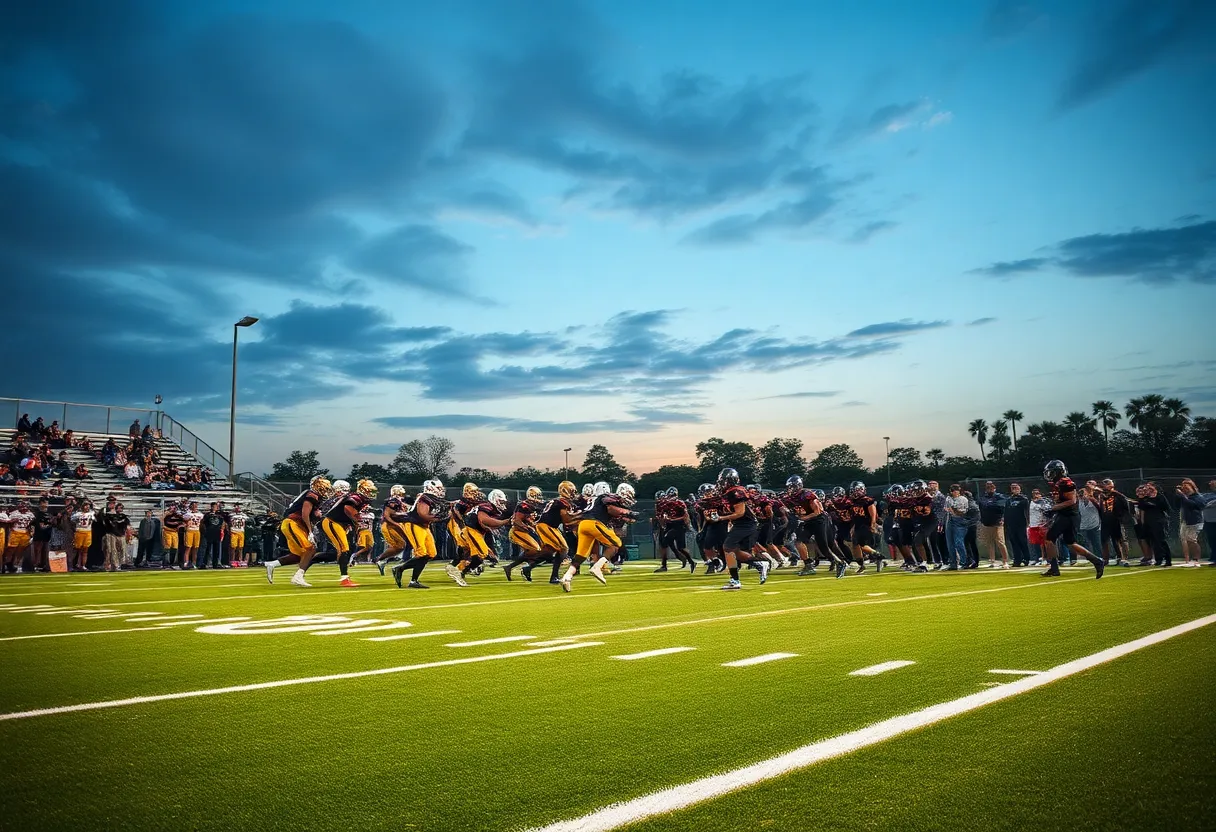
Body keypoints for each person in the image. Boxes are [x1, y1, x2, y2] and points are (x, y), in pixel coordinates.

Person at [265, 476, 332, 587]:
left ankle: (272, 564)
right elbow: (305, 514)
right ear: (318, 487)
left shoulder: (313, 496)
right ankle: (298, 577)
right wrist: (310, 532)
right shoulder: (312, 495)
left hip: (295, 524)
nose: (325, 491)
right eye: (324, 488)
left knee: (299, 555)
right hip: (293, 523)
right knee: (311, 549)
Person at [1040, 460, 1103, 578]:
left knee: (1049, 538)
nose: (1049, 474)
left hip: (1068, 515)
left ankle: (1054, 568)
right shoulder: (1059, 483)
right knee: (1070, 543)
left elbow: (1072, 501)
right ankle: (1097, 561)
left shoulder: (1066, 482)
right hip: (1066, 515)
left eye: (1052, 472)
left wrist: (1053, 508)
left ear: (1058, 472)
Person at [390, 480, 449, 589]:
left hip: (423, 526)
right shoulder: (424, 498)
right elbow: (423, 514)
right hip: (414, 523)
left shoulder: (432, 499)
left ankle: (413, 580)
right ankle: (400, 569)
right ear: (432, 488)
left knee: (431, 553)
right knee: (421, 553)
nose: (441, 490)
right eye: (439, 488)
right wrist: (439, 517)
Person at [1134, 483, 1172, 567]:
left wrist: (1152, 503)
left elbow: (1166, 507)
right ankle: (1158, 559)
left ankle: (1168, 559)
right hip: (1149, 522)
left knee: (1161, 541)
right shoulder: (1145, 499)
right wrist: (1142, 498)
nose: (1147, 489)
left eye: (1149, 488)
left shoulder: (1160, 497)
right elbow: (1141, 507)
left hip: (1159, 521)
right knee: (1153, 541)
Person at [1097, 479, 1132, 567]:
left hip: (1117, 520)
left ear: (1111, 485)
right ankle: (1106, 559)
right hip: (1105, 521)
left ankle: (1123, 558)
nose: (1104, 486)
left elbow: (1126, 506)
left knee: (1120, 539)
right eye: (1103, 484)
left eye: (1107, 484)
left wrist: (1123, 518)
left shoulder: (1118, 495)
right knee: (1104, 540)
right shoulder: (1101, 496)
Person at [976, 481, 1009, 568]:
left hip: (997, 523)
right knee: (989, 542)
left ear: (994, 488)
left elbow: (1001, 507)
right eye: (988, 488)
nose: (989, 489)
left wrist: (1002, 518)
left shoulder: (999, 497)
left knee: (1000, 542)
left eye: (991, 487)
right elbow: (981, 507)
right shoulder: (983, 498)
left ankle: (1005, 561)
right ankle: (992, 561)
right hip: (986, 523)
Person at [1175, 479, 1205, 567]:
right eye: (1183, 487)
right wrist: (1178, 496)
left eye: (1186, 486)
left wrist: (1183, 496)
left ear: (1192, 487)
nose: (1184, 488)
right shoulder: (1184, 497)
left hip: (1195, 521)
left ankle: (1196, 559)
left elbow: (1195, 505)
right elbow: (1176, 506)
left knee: (1192, 540)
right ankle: (1188, 560)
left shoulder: (1198, 496)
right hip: (1185, 521)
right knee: (1185, 540)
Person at [1003, 483, 1031, 567]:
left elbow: (1027, 511)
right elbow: (1006, 512)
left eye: (1016, 488)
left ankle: (1026, 559)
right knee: (1014, 542)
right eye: (1012, 488)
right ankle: (1017, 559)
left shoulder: (1024, 499)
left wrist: (1028, 523)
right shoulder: (1009, 500)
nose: (1014, 489)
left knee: (1022, 541)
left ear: (1019, 489)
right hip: (1011, 524)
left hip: (1021, 523)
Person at [5, 499, 34, 573]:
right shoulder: (14, 513)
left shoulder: (31, 514)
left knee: (20, 551)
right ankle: (7, 564)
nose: (24, 507)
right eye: (22, 505)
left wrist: (31, 532)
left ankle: (16, 565)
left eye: (25, 505)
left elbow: (32, 524)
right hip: (15, 532)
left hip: (25, 533)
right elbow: (9, 524)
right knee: (11, 550)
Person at [1078, 481, 1104, 566]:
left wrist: (1091, 493)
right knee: (1085, 543)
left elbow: (1100, 506)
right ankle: (1090, 559)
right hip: (1083, 525)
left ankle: (1100, 558)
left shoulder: (1095, 498)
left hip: (1094, 524)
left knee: (1096, 543)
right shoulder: (1079, 501)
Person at [200, 501, 226, 569]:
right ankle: (205, 563)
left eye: (216, 507)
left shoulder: (219, 515)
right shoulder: (207, 515)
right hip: (209, 533)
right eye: (213, 506)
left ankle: (215, 564)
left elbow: (223, 523)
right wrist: (204, 531)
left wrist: (222, 530)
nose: (214, 508)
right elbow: (203, 523)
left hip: (217, 533)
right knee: (207, 549)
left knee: (216, 550)